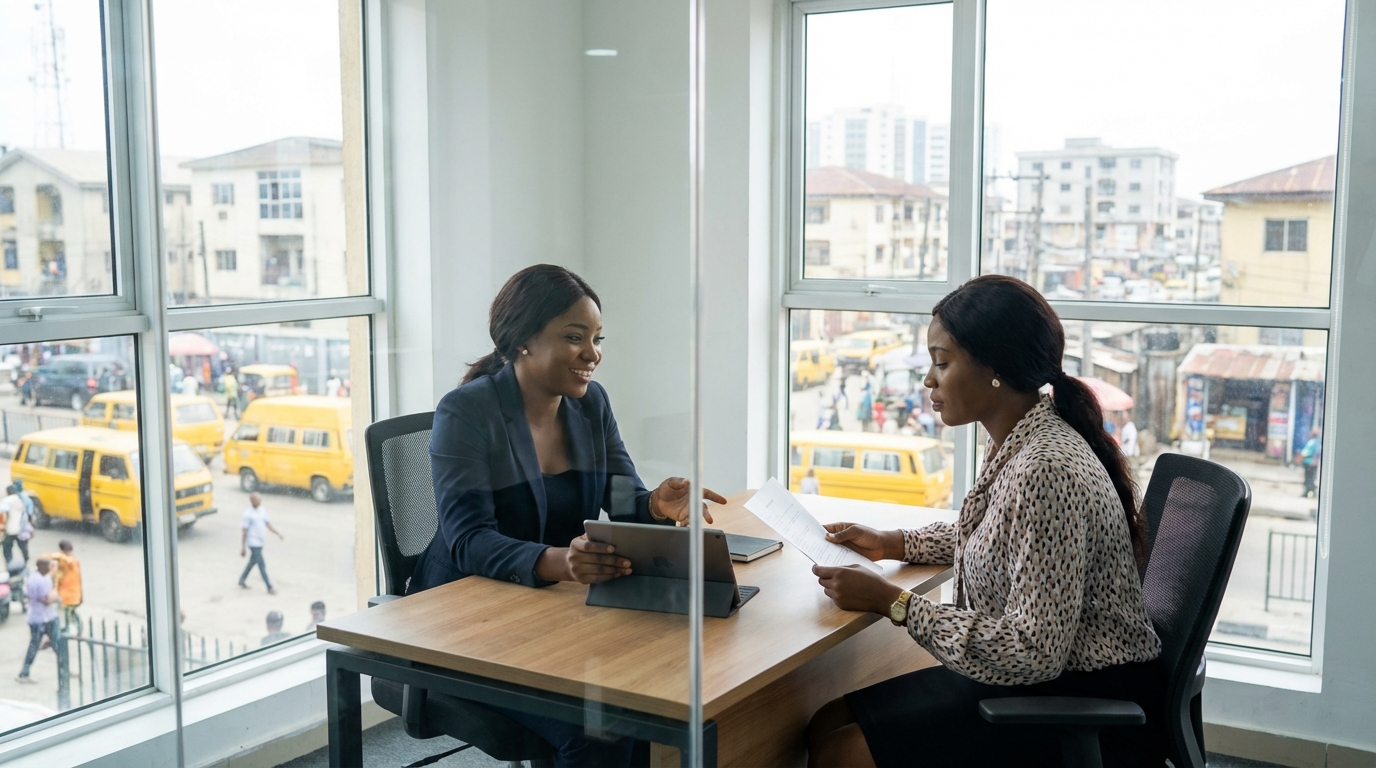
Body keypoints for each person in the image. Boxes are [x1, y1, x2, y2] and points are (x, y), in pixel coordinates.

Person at [806, 275, 1163, 768]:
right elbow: (1001, 535)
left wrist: (895, 603)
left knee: (839, 752)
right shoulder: (1020, 436)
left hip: (1073, 698)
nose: (928, 380)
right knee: (823, 722)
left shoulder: (1046, 468)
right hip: (1041, 677)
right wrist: (894, 543)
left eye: (942, 362)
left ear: (994, 367)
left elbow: (1034, 650)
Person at [411, 264, 727, 768]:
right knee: (602, 728)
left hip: (549, 615)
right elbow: (467, 540)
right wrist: (560, 563)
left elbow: (620, 497)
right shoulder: (467, 413)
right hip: (464, 622)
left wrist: (655, 505)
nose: (593, 354)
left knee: (652, 706)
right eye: (575, 337)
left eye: (598, 339)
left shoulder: (589, 404)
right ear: (522, 342)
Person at [16, 558, 68, 688]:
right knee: (54, 644)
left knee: (38, 645)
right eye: (49, 566)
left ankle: (24, 673)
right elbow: (46, 599)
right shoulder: (41, 580)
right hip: (43, 618)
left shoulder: (35, 578)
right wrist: (56, 598)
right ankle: (64, 670)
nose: (50, 568)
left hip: (39, 617)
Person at [239, 493, 283, 594]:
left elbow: (268, 524)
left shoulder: (263, 510)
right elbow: (244, 531)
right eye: (258, 499)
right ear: (253, 501)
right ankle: (269, 587)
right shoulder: (248, 514)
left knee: (252, 562)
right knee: (261, 565)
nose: (260, 501)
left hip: (260, 541)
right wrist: (243, 547)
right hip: (253, 542)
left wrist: (277, 533)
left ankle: (242, 579)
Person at [46, 540, 82, 635]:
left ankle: (71, 629)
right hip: (72, 594)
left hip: (68, 595)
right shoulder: (72, 560)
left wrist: (60, 554)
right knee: (70, 612)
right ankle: (75, 628)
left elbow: (62, 559)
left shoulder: (69, 560)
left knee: (67, 613)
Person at [2, 484, 28, 566]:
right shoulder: (21, 498)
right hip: (21, 528)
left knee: (7, 546)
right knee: (22, 546)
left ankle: (9, 561)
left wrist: (3, 527)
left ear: (7, 491)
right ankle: (25, 559)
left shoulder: (7, 500)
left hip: (11, 528)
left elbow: (4, 514)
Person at [1300, 427, 1322, 498]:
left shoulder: (1312, 442)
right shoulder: (1317, 442)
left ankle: (1308, 492)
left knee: (1309, 478)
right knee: (1311, 478)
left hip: (1309, 462)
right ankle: (1310, 491)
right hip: (1312, 463)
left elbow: (1306, 453)